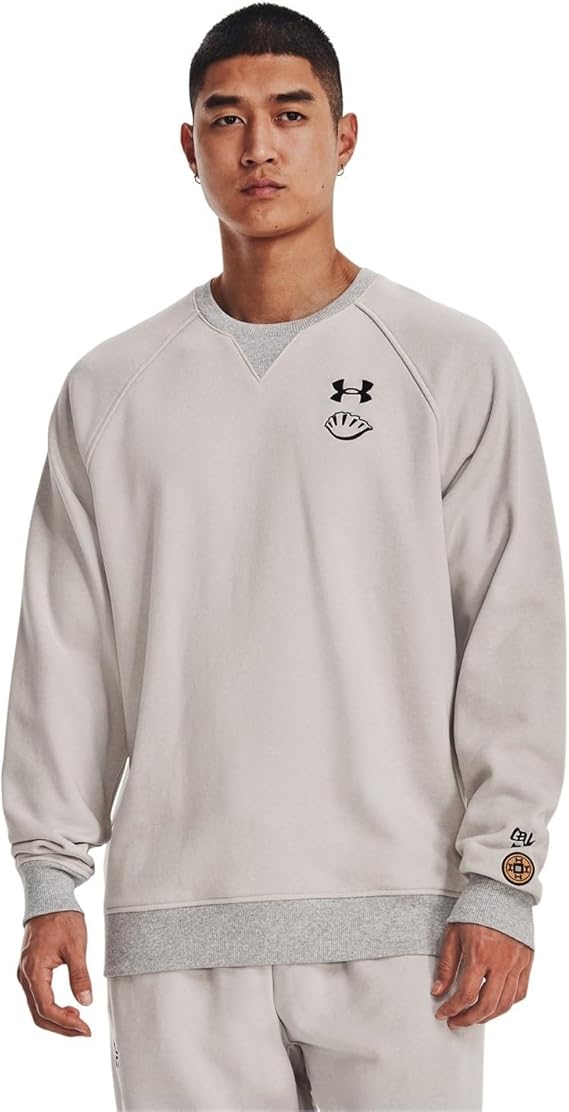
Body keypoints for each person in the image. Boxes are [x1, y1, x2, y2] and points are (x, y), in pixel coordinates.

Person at [1, 3, 565, 1110]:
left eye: (290, 114)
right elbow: (65, 650)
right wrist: (49, 879)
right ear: (190, 146)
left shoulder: (450, 363)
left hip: (406, 933)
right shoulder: (110, 390)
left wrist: (503, 878)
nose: (258, 146)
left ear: (343, 137)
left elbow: (516, 629)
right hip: (176, 933)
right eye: (226, 118)